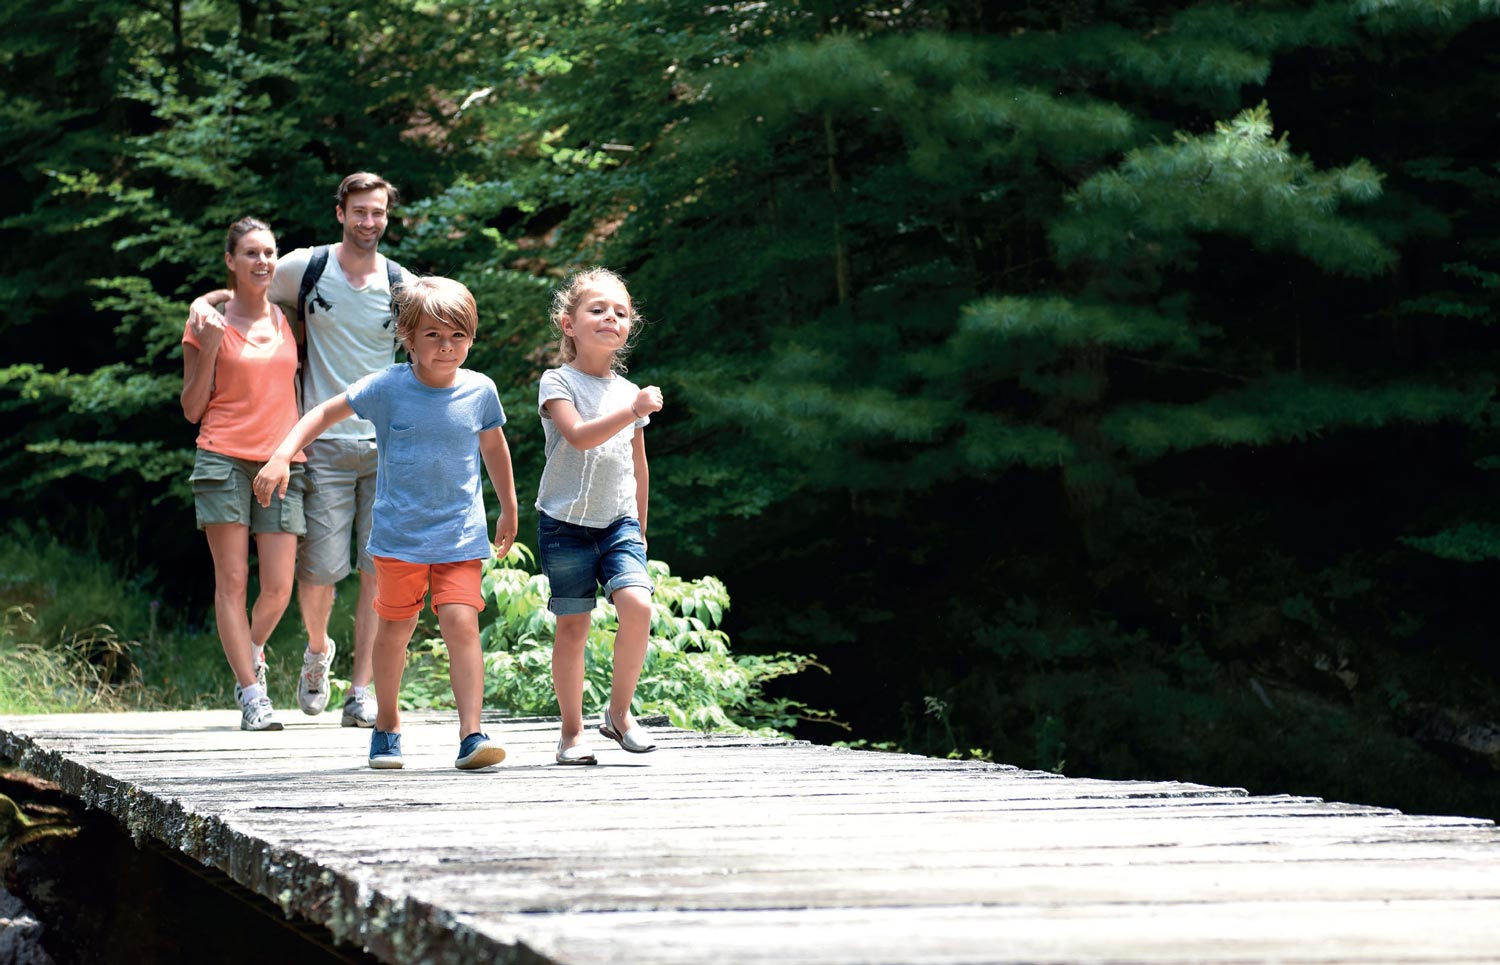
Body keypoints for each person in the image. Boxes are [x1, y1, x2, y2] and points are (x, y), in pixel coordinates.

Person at [253, 276, 518, 771]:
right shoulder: (389, 386)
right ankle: (387, 725)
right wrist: (282, 455)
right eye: (434, 335)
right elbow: (324, 413)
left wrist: (509, 504)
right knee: (395, 630)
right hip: (399, 537)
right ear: (408, 336)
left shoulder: (480, 390)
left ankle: (471, 735)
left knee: (461, 623)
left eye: (457, 335)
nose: (446, 346)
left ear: (472, 337)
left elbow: (494, 447)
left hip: (459, 534)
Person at [189, 172, 413, 727]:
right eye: (359, 211)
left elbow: (442, 337)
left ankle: (358, 691)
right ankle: (303, 658)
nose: (369, 221)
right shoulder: (305, 268)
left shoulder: (404, 284)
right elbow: (247, 288)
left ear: (387, 217)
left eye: (377, 212)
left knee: (371, 573)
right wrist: (203, 301)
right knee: (315, 577)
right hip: (316, 445)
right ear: (340, 212)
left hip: (377, 447)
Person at [181, 218, 306, 731]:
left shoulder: (290, 319)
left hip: (281, 461)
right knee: (232, 580)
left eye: (268, 253)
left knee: (278, 586)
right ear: (231, 260)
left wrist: (204, 298)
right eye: (250, 253)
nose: (262, 262)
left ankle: (249, 654)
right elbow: (191, 408)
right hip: (222, 457)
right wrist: (209, 341)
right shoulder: (206, 323)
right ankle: (253, 696)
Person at [536, 268, 664, 765]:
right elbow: (581, 436)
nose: (610, 317)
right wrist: (633, 410)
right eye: (597, 309)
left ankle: (618, 714)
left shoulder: (627, 391)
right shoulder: (557, 382)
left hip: (618, 523)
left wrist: (641, 526)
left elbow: (638, 463)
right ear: (569, 324)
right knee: (573, 627)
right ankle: (571, 733)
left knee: (638, 605)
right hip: (564, 523)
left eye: (621, 312)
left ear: (629, 327)